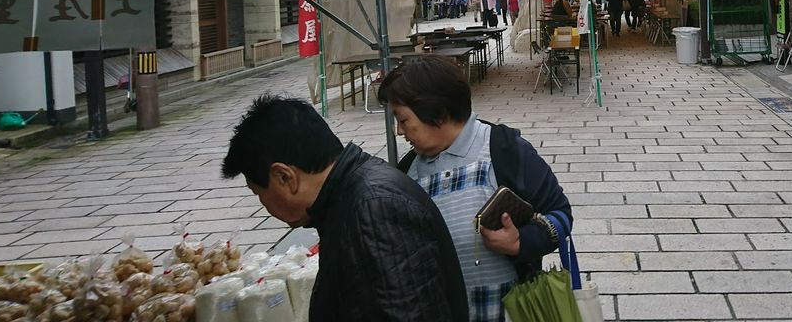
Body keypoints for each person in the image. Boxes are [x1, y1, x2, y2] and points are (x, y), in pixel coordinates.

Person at [221, 95, 468, 321]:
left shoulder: (375, 208)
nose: (264, 205)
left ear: (285, 177)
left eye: (258, 193)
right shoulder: (350, 196)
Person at [382, 57, 572, 322]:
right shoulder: (406, 172)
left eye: (403, 120)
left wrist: (521, 242)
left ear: (436, 112)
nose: (398, 131)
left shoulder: (504, 150)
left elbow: (560, 214)